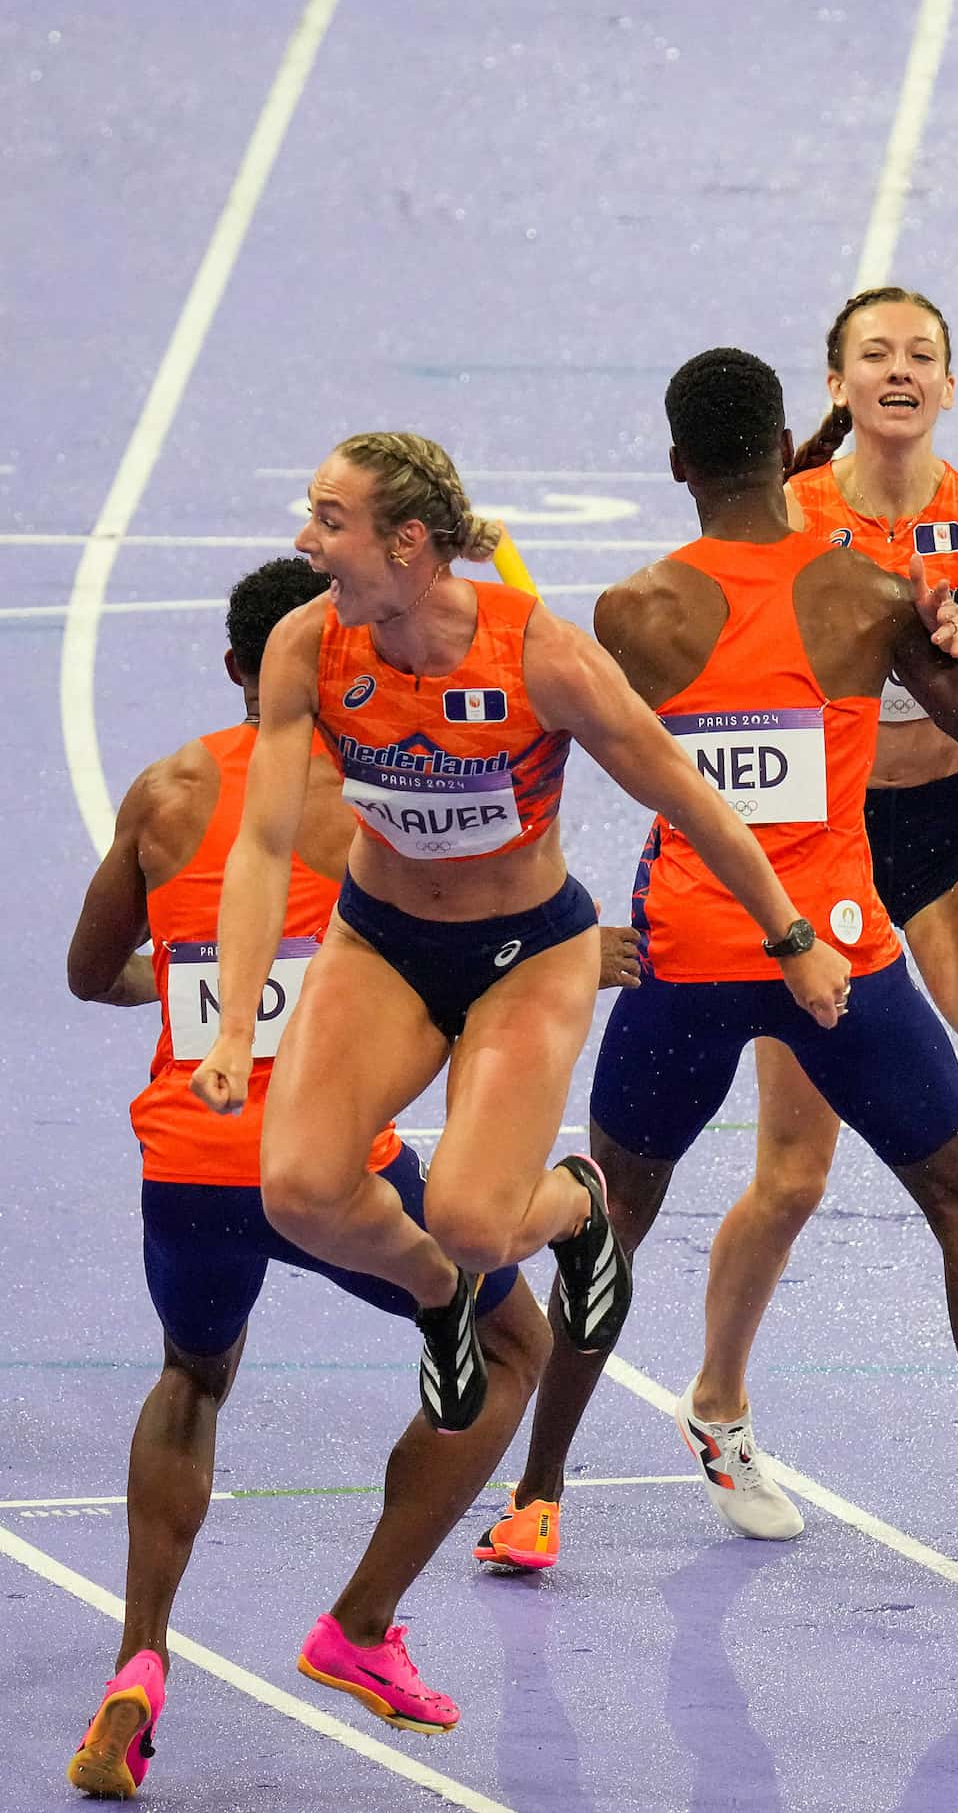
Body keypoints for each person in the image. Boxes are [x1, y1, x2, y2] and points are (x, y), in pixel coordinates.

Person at [516, 285, 958, 1543]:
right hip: (798, 889)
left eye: (922, 354)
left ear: (951, 383)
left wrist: (947, 641)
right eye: (874, 354)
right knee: (793, 1174)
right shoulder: (813, 530)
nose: (900, 369)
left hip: (925, 837)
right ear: (828, 391)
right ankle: (720, 1403)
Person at [187, 433, 851, 1439]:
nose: (305, 542)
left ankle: (577, 1209)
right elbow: (263, 848)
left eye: (331, 522)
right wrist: (236, 1028)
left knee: (474, 1221)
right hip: (380, 944)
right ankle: (436, 1296)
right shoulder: (308, 646)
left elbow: (692, 796)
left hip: (526, 957)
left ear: (409, 543)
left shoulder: (541, 656)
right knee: (298, 1192)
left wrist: (792, 935)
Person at [61, 559, 556, 1790]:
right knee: (512, 1350)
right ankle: (364, 1622)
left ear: (241, 670)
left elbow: (92, 972)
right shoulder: (392, 801)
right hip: (337, 1167)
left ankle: (137, 1665)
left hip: (188, 1165)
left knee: (190, 1376)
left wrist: (196, 998)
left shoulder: (163, 792)